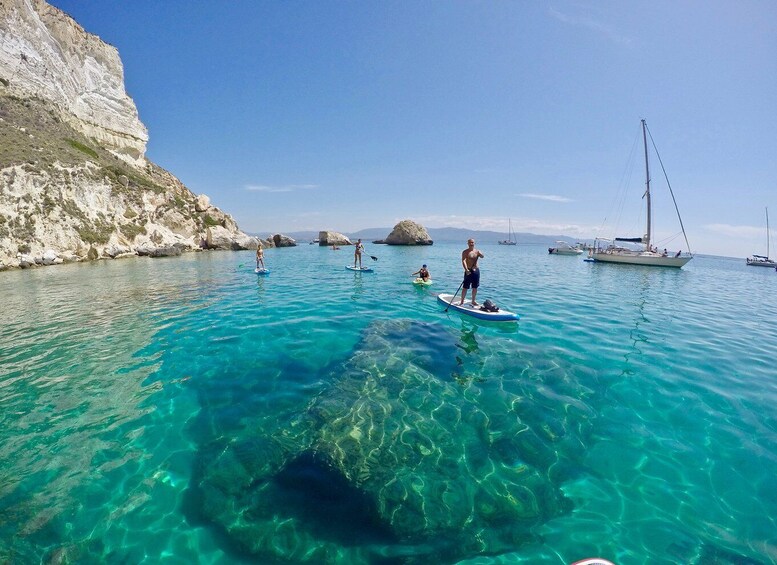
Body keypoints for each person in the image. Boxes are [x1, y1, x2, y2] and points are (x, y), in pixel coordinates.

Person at [460, 238, 484, 306]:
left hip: (476, 271)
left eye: (472, 242)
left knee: (475, 287)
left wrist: (481, 254)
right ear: (467, 243)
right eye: (470, 242)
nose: (471, 244)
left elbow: (482, 256)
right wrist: (466, 270)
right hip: (468, 271)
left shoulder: (477, 251)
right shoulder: (465, 252)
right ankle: (462, 301)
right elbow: (463, 261)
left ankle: (473, 301)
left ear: (474, 243)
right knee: (465, 287)